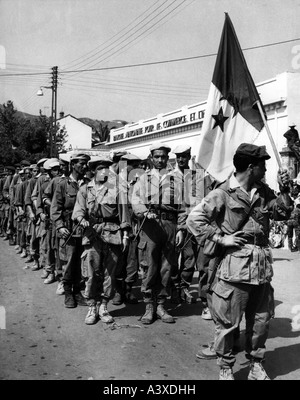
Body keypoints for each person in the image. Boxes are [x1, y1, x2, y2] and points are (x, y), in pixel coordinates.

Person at [187, 143, 293, 380]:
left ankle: (256, 363)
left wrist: (285, 190)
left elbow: (283, 213)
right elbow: (194, 219)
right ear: (250, 167)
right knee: (229, 323)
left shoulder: (264, 192)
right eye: (262, 165)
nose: (266, 169)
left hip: (262, 270)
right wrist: (220, 238)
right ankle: (225, 367)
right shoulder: (222, 193)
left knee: (261, 322)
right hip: (234, 269)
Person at [72, 156, 131, 325]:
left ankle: (104, 306)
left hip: (113, 234)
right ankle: (92, 305)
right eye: (99, 169)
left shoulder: (118, 189)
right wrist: (81, 219)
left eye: (105, 169)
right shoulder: (85, 189)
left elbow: (124, 215)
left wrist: (125, 235)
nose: (102, 172)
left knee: (109, 273)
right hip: (92, 234)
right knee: (91, 272)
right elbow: (78, 210)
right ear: (93, 171)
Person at [131, 142, 186, 324]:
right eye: (157, 157)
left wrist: (181, 229)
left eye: (163, 157)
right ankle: (148, 306)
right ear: (151, 158)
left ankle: (161, 305)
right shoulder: (143, 178)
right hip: (150, 224)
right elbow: (135, 199)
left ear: (167, 158)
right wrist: (143, 211)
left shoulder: (177, 179)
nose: (161, 160)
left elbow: (184, 207)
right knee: (149, 264)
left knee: (167, 266)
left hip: (170, 224)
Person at [50, 153, 90, 308]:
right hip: (69, 229)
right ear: (73, 164)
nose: (85, 166)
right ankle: (68, 292)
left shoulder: (88, 184)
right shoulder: (63, 184)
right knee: (69, 260)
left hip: (85, 229)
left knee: (82, 261)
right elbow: (55, 208)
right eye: (81, 163)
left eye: (86, 163)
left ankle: (77, 292)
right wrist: (60, 226)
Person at [112, 153, 143, 305]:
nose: (136, 168)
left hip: (134, 229)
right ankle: (118, 291)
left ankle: (129, 290)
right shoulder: (113, 183)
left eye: (137, 165)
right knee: (117, 262)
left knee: (132, 262)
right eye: (133, 165)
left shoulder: (138, 184)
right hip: (117, 229)